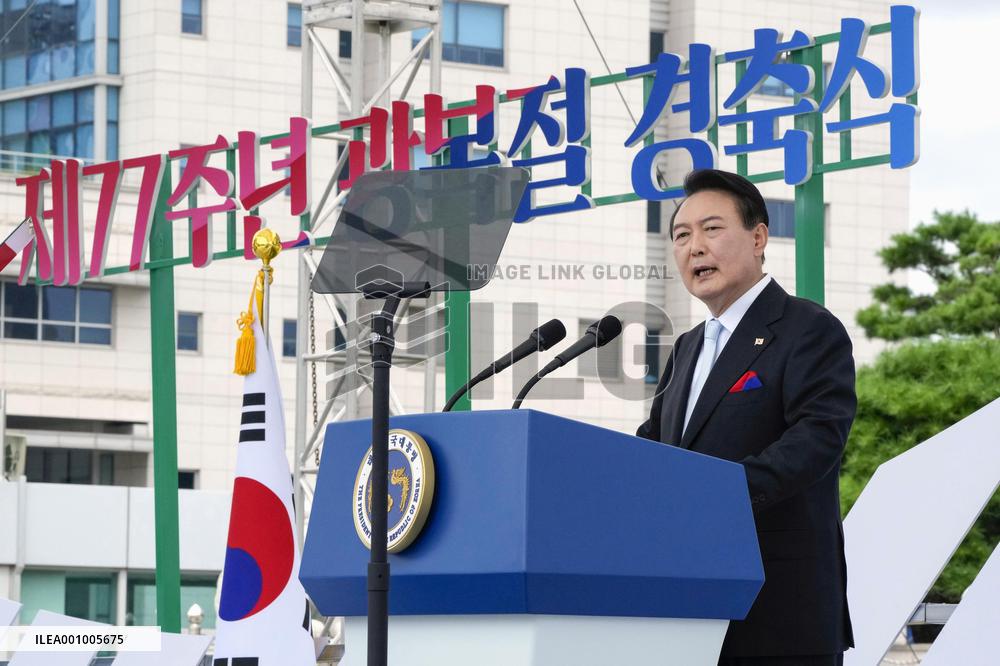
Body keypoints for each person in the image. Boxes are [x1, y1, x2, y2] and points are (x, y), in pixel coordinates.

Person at [636, 169, 856, 665]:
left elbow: (816, 439)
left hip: (778, 606)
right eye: (681, 235)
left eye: (712, 229)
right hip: (689, 601)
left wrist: (713, 496)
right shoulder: (687, 347)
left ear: (758, 238)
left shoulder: (808, 328)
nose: (695, 247)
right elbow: (654, 446)